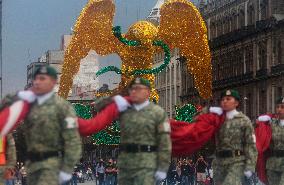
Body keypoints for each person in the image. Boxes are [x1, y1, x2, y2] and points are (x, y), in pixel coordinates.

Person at [0, 65, 82, 185]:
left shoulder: (63, 108)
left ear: (53, 82)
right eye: (36, 79)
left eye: (43, 79)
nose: (38, 82)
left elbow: (73, 141)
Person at [116, 77, 172, 185]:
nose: (134, 92)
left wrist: (162, 166)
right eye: (132, 89)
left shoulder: (158, 113)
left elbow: (164, 142)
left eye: (138, 89)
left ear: (147, 92)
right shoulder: (126, 111)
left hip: (147, 163)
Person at [213, 89, 257, 185]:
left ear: (236, 102)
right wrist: (208, 110)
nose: (225, 101)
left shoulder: (244, 120)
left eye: (228, 99)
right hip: (219, 164)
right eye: (223, 99)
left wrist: (250, 167)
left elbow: (251, 145)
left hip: (236, 162)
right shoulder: (216, 120)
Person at [256, 97, 284, 185]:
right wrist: (259, 121)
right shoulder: (270, 123)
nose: (279, 109)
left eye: (282, 107)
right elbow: (256, 130)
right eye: (277, 107)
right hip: (272, 164)